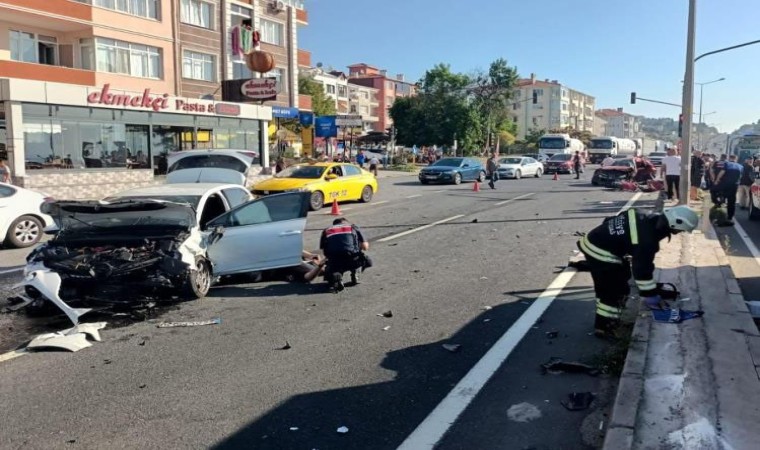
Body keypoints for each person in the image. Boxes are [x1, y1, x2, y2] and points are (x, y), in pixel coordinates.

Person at [578, 205, 699, 338]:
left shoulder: (643, 214)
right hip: (601, 252)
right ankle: (605, 328)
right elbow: (642, 270)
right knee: (616, 290)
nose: (679, 232)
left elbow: (611, 220)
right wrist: (650, 294)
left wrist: (618, 242)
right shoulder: (648, 240)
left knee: (613, 281)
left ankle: (606, 314)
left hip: (593, 240)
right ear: (675, 224)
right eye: (680, 230)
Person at [320, 217, 370, 292]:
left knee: (331, 269)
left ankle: (337, 277)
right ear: (346, 222)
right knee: (365, 259)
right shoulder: (352, 227)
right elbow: (365, 247)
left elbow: (325, 251)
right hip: (353, 259)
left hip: (335, 262)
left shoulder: (326, 230)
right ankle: (355, 272)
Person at [713, 155, 743, 226]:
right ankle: (730, 217)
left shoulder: (727, 164)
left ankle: (720, 215)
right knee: (732, 201)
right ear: (736, 159)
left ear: (729, 158)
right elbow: (741, 176)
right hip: (734, 185)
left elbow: (722, 172)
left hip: (725, 184)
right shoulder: (740, 166)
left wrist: (717, 180)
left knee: (722, 198)